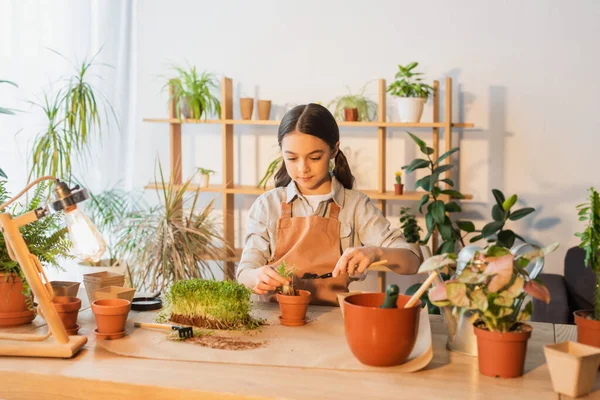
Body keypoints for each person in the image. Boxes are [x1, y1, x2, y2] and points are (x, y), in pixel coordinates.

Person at [236, 103, 421, 305]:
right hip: (275, 322)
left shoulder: (355, 206)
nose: (302, 168)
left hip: (332, 323)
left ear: (334, 150)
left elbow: (411, 262)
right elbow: (244, 274)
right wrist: (257, 277)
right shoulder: (267, 205)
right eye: (292, 158)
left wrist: (376, 252)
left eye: (315, 157)